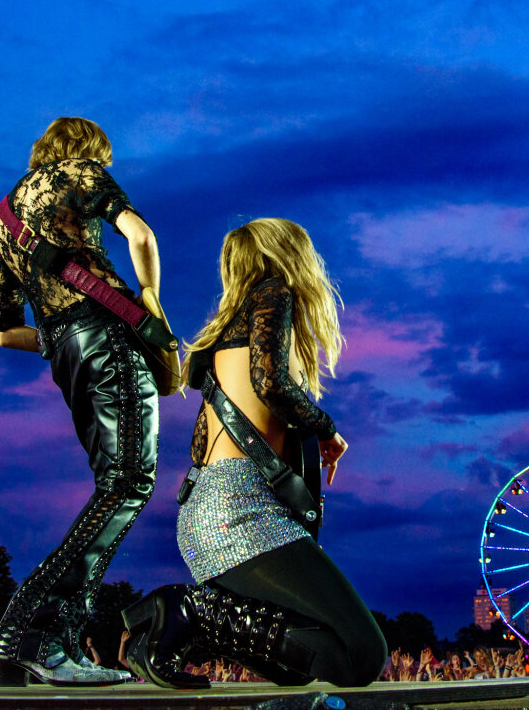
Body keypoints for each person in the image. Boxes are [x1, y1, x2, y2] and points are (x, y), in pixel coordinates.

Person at [123, 218, 386, 689]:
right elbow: (271, 383)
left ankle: (196, 623)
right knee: (363, 653)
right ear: (289, 256)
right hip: (240, 510)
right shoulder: (274, 293)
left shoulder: (227, 331)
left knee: (326, 664)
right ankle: (187, 612)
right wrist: (326, 429)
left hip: (207, 512)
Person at [0, 117, 166, 686]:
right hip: (107, 334)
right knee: (129, 483)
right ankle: (36, 636)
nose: (105, 168)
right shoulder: (80, 174)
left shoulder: (3, 218)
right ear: (88, 152)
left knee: (114, 483)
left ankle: (38, 641)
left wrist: (61, 339)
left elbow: (5, 332)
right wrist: (150, 299)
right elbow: (139, 235)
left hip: (65, 350)